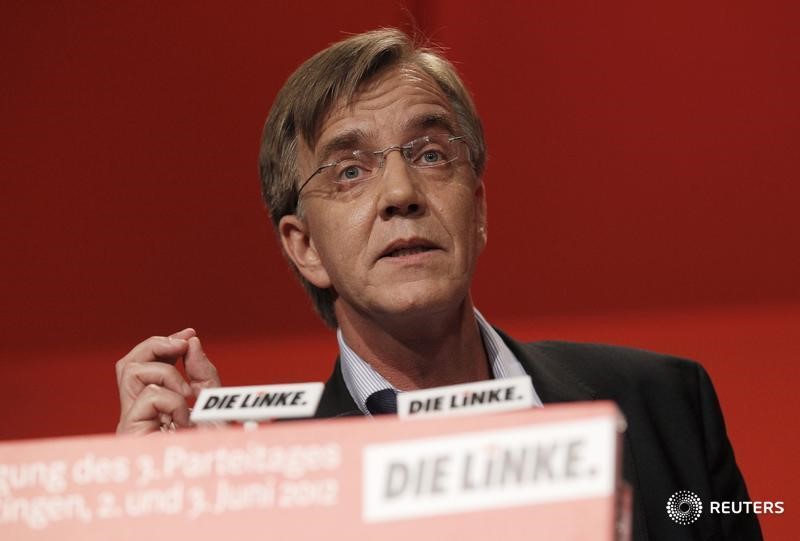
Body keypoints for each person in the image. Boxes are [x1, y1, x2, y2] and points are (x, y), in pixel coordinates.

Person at [115, 28, 762, 540]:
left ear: (477, 208)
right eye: (349, 171)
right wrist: (168, 509)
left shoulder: (666, 406)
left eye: (429, 154)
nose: (401, 193)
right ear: (305, 246)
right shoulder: (268, 489)